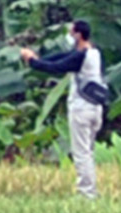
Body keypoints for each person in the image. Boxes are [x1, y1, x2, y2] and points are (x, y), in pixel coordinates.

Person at [23, 21, 107, 198]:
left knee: (81, 153)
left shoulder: (80, 57)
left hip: (81, 109)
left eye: (71, 32)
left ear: (78, 35)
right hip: (95, 108)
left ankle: (87, 193)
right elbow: (60, 57)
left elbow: (55, 67)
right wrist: (39, 58)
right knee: (88, 151)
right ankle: (90, 190)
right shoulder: (94, 53)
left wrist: (31, 60)